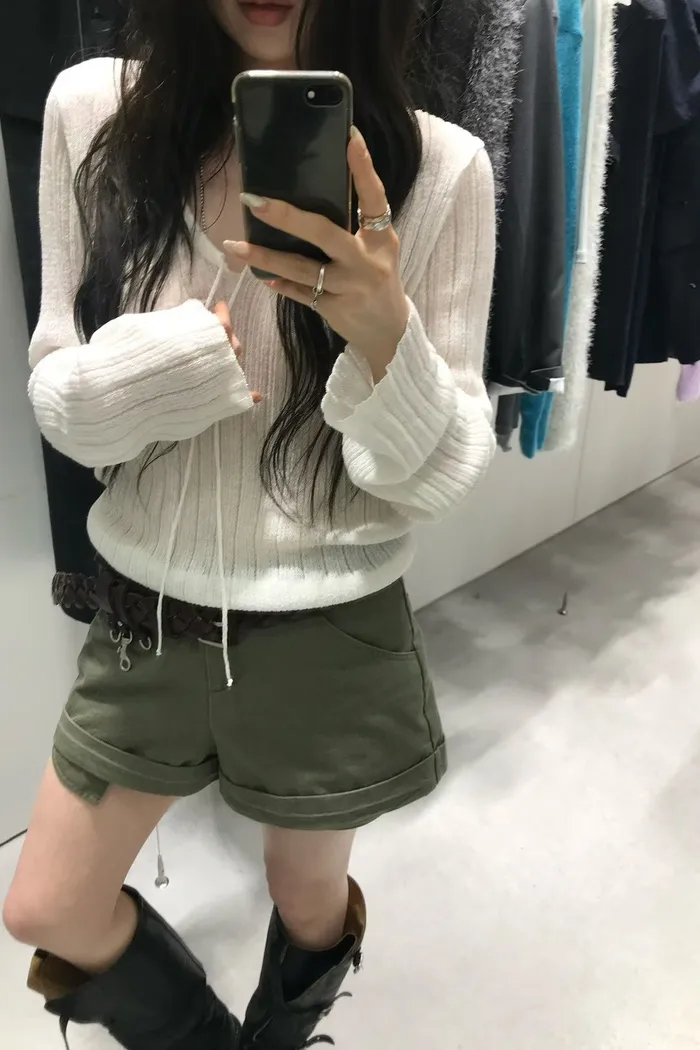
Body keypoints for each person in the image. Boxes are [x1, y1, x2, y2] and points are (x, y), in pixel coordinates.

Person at [2, 0, 497, 1046]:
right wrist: (180, 364)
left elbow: (441, 474)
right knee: (46, 907)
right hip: (144, 620)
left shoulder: (444, 168)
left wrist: (383, 335)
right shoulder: (90, 113)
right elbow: (60, 405)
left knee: (305, 896)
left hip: (330, 629)